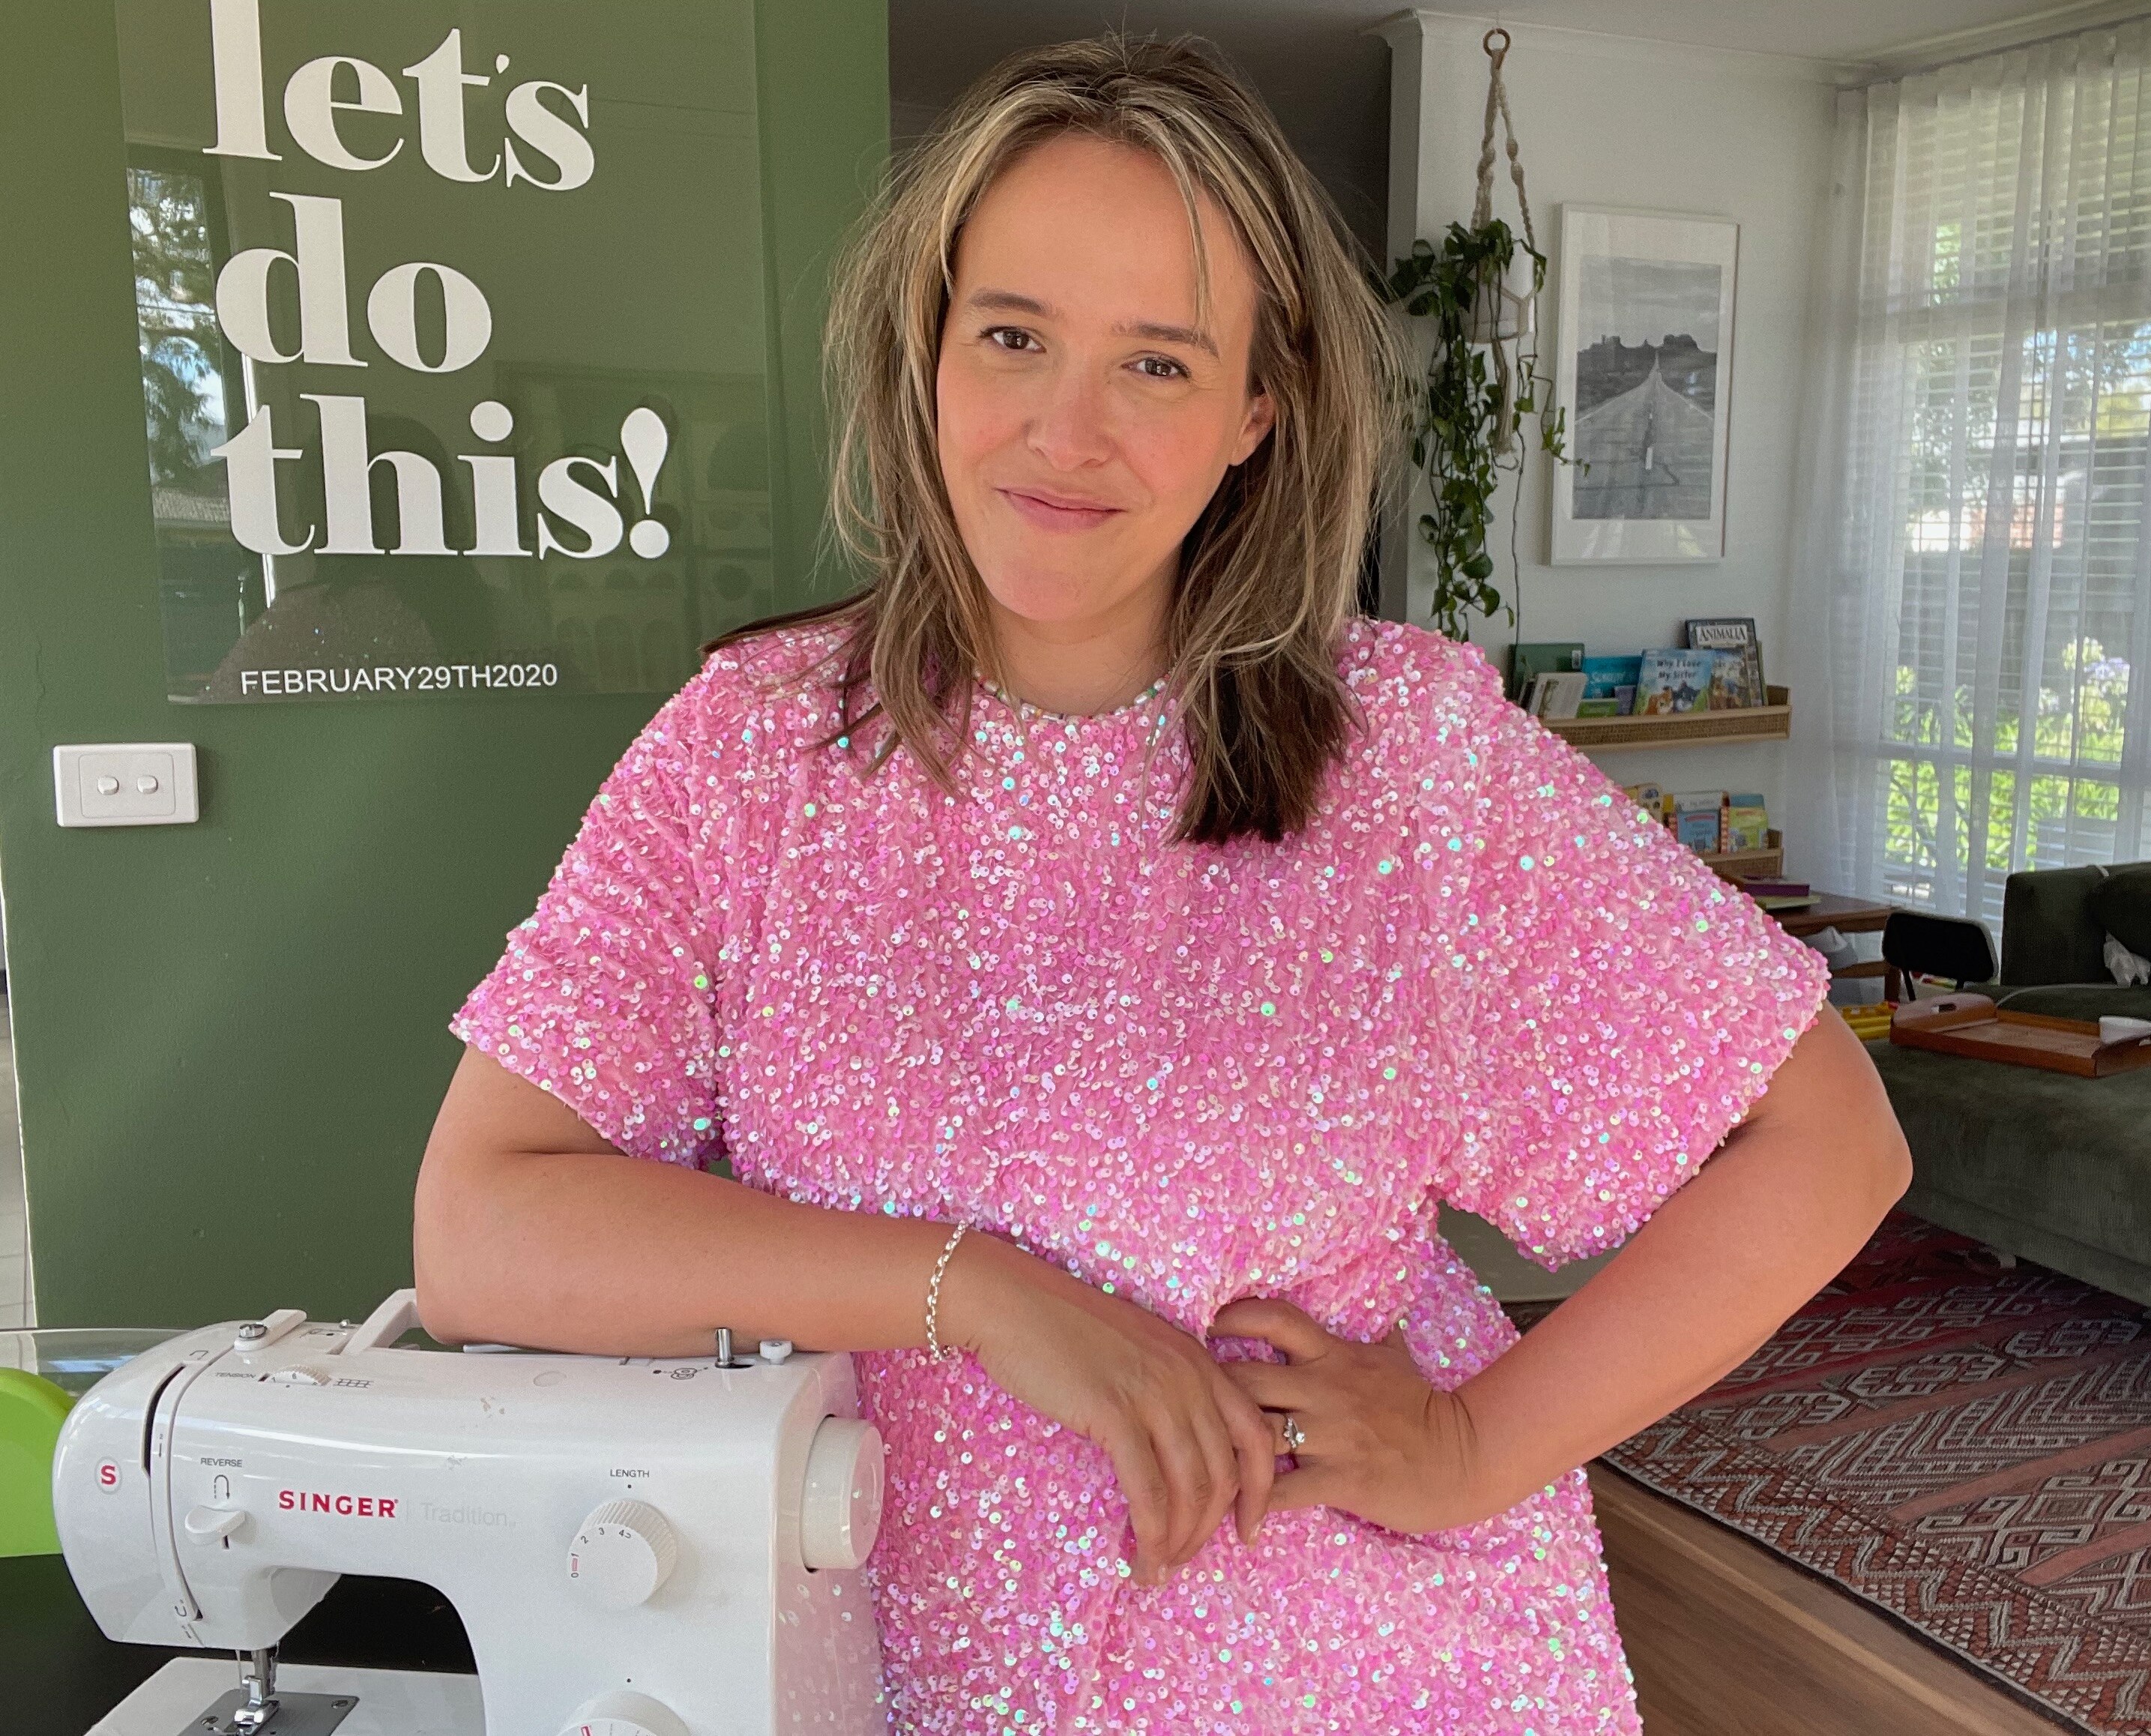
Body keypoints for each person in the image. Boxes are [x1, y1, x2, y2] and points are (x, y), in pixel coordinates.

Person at [414, 34, 1911, 1734]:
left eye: (1157, 363)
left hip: (1362, 1675)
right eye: (1012, 336)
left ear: (1254, 414)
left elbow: (1828, 1140)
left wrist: (1474, 1443)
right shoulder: (752, 750)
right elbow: (482, 1230)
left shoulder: (1407, 757)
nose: (1065, 431)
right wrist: (978, 1291)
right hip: (882, 1670)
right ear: (924, 351)